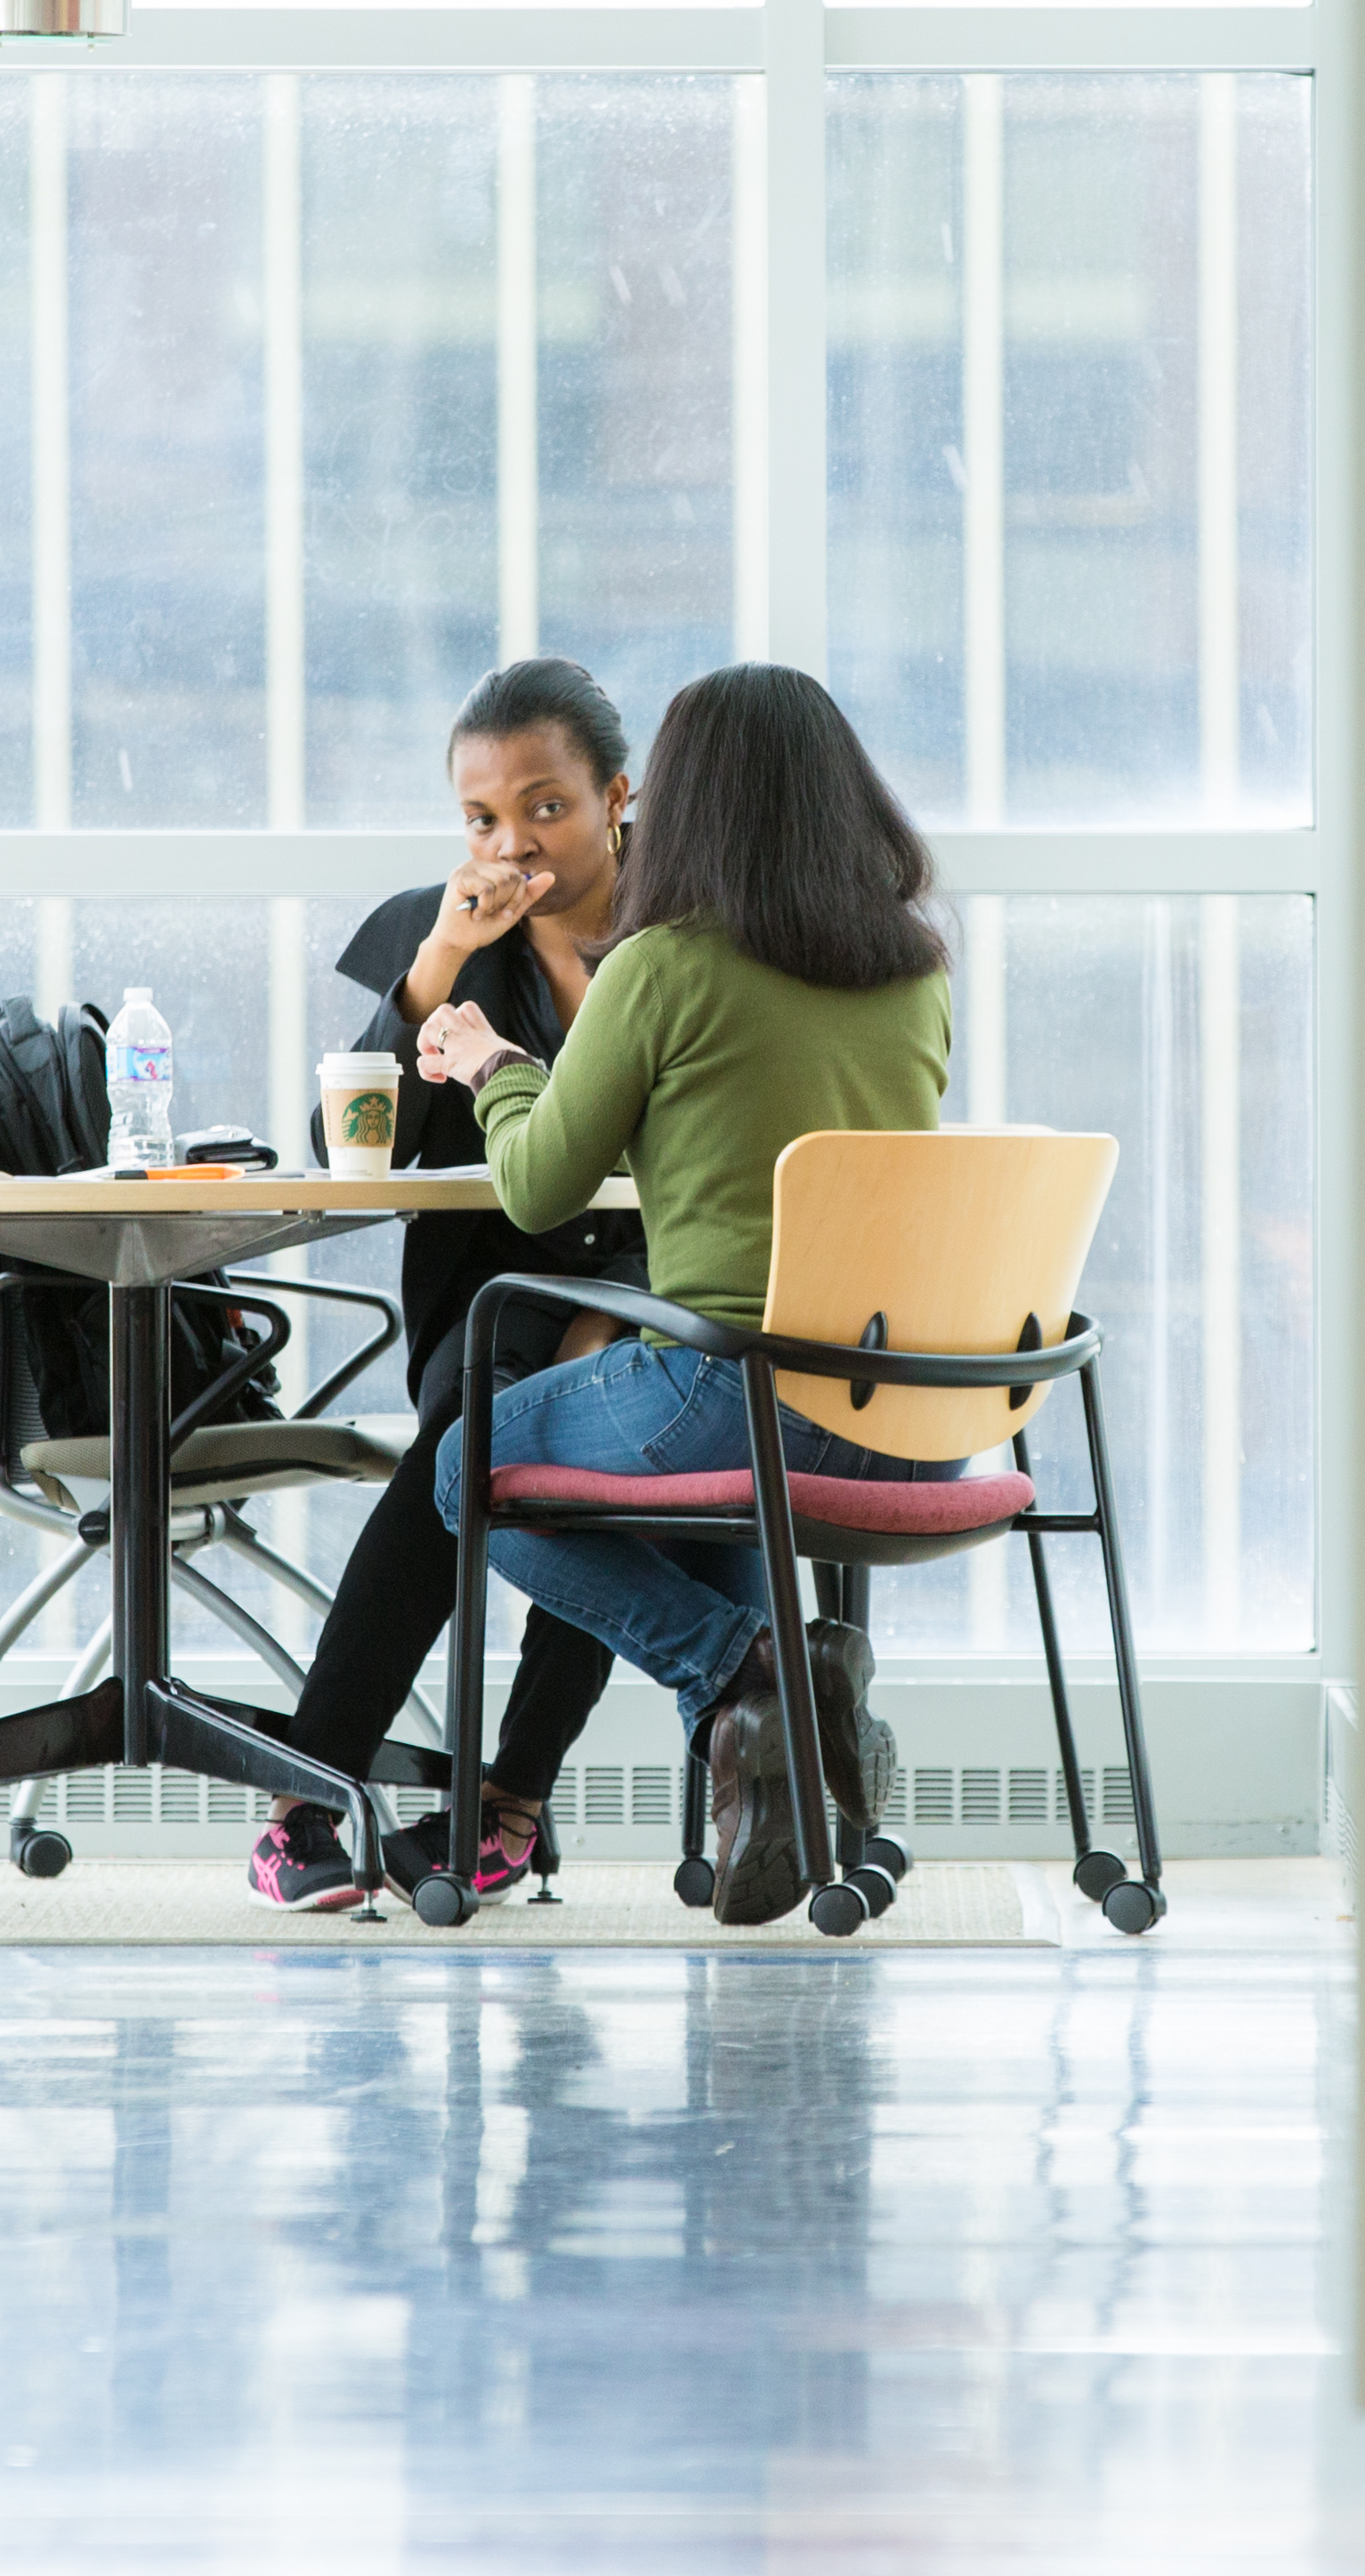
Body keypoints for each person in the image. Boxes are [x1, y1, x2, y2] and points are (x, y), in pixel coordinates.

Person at [416, 662, 959, 1923]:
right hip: (916, 1420)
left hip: (731, 1387)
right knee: (724, 1485)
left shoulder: (659, 965)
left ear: (679, 802)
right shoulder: (913, 969)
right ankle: (790, 1784)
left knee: (468, 1464)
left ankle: (750, 1681)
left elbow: (542, 1185)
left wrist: (495, 1064)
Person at [246, 659, 649, 1911]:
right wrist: (433, 965)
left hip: (655, 1281)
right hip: (488, 1291)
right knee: (461, 1432)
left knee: (603, 1424)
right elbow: (354, 1152)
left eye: (547, 807)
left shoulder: (686, 932)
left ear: (616, 797)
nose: (513, 841)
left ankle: (510, 1797)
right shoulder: (450, 939)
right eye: (483, 817)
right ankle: (307, 1795)